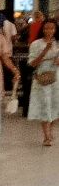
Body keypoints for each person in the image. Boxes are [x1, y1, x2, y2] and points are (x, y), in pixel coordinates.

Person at [27, 18, 59, 146]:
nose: (49, 31)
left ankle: (50, 131)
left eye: (52, 28)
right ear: (42, 29)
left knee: (55, 104)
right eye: (46, 28)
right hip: (41, 76)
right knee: (45, 104)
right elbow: (32, 63)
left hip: (56, 76)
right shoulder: (36, 44)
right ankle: (46, 136)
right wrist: (45, 50)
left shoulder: (57, 43)